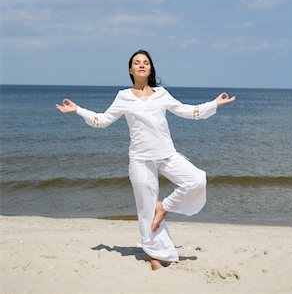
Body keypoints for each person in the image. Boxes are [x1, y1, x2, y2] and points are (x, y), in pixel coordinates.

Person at [56, 49, 235, 271]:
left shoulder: (162, 94)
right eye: (137, 62)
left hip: (167, 155)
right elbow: (102, 120)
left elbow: (187, 111)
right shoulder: (123, 96)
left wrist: (214, 104)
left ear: (150, 69)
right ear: (131, 69)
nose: (142, 65)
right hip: (140, 160)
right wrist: (78, 110)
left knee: (197, 180)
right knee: (145, 209)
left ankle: (165, 206)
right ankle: (154, 256)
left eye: (146, 62)